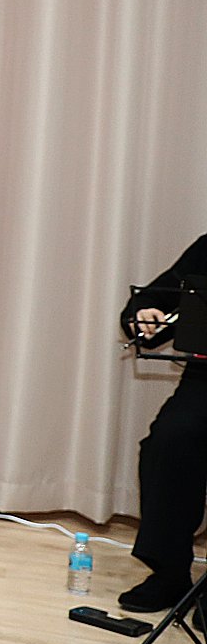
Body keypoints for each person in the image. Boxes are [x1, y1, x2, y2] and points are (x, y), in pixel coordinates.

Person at [118, 233, 207, 612]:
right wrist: (144, 315)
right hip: (206, 380)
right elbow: (155, 299)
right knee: (168, 441)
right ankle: (170, 573)